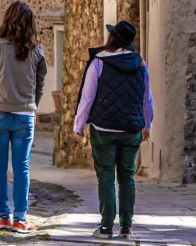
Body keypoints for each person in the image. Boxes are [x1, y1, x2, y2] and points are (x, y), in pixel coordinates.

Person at [73, 19, 154, 240]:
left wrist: (78, 125)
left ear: (111, 38)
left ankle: (106, 227)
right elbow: (146, 98)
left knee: (106, 176)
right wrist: (147, 124)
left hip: (103, 129)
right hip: (131, 129)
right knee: (127, 177)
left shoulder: (98, 62)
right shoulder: (141, 64)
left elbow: (88, 97)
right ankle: (126, 228)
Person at [0, 0, 47, 233]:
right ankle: (20, 219)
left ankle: (3, 217)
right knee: (21, 167)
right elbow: (40, 85)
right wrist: (32, 107)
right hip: (25, 115)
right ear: (30, 24)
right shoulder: (36, 50)